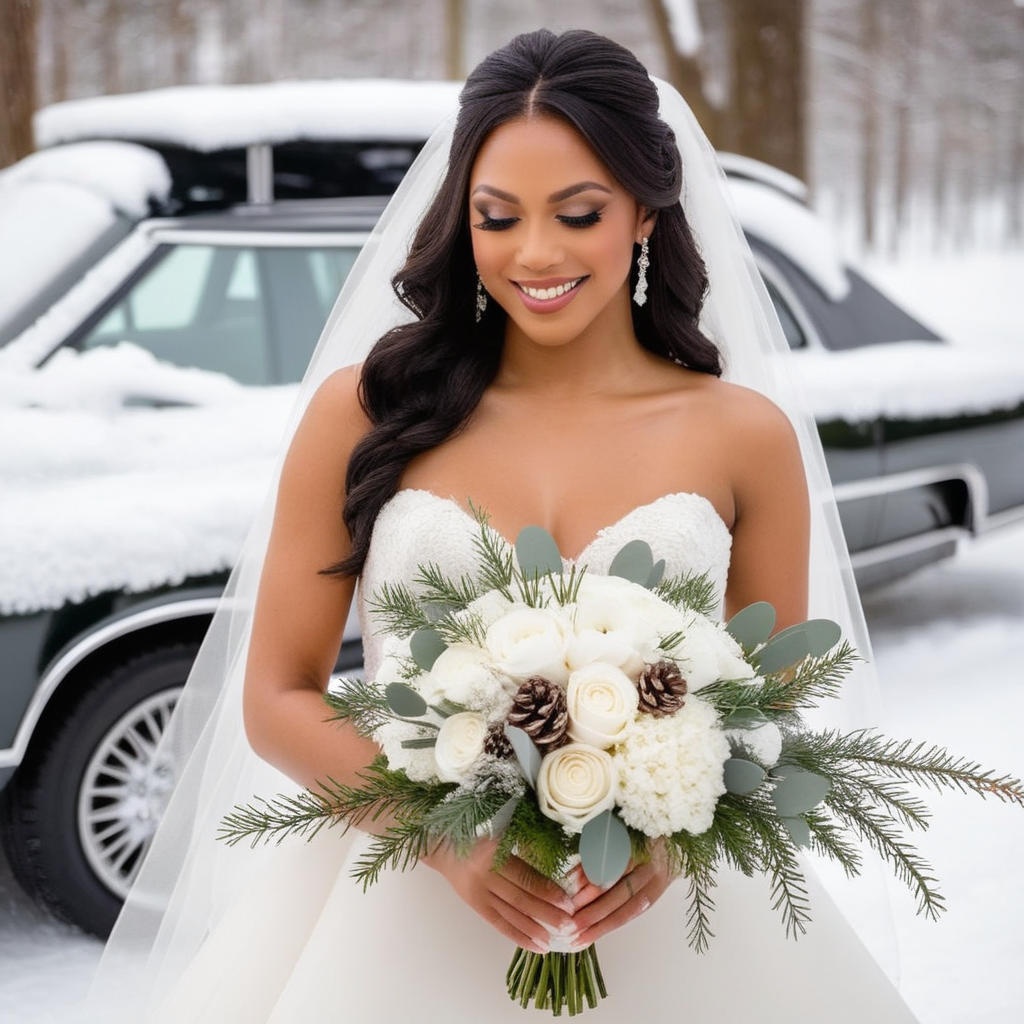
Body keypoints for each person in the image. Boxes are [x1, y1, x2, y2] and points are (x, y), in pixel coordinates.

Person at [85, 29, 920, 1023]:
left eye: (578, 213)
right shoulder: (364, 413)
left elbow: (774, 687)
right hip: (394, 910)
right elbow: (276, 693)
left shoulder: (743, 436)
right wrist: (437, 829)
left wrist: (665, 817)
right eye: (497, 216)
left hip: (670, 917)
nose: (535, 253)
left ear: (646, 212)